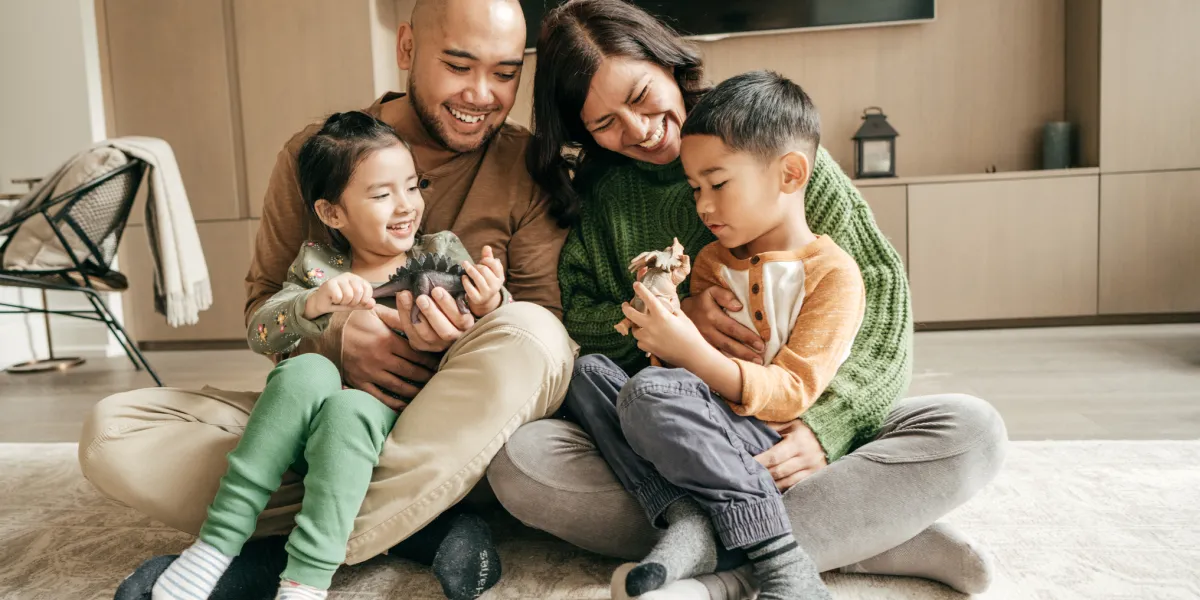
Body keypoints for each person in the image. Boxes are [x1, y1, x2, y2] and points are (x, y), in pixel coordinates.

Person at [487, 0, 1008, 598]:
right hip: (679, 427)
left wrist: (825, 428)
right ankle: (881, 536)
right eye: (604, 124)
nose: (636, 130)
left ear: (667, 64)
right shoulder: (603, 199)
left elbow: (883, 300)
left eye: (639, 96)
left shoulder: (768, 147)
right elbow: (580, 320)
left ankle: (721, 561)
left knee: (972, 428)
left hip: (791, 420)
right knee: (523, 462)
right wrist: (676, 322)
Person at [81, 1, 573, 598]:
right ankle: (415, 523)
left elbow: (544, 338)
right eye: (459, 65)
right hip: (327, 408)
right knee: (114, 431)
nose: (482, 94)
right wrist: (335, 336)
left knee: (534, 338)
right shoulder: (315, 156)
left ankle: (264, 559)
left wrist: (475, 321)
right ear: (408, 49)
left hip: (450, 423)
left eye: (504, 72)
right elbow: (263, 309)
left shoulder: (527, 165)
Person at [146, 111, 512, 600]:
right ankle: (216, 546)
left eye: (413, 186)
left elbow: (495, 337)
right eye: (382, 195)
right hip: (302, 432)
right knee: (307, 369)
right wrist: (313, 304)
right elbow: (261, 331)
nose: (406, 206)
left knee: (350, 408)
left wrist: (491, 300)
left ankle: (305, 581)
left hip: (404, 436)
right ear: (332, 213)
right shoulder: (317, 267)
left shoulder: (442, 254)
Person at [565, 70, 852, 600]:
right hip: (702, 427)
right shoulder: (713, 263)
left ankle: (779, 556)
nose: (702, 206)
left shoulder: (832, 274)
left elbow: (791, 392)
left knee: (648, 394)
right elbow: (677, 384)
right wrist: (665, 315)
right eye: (695, 188)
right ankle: (688, 516)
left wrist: (688, 352)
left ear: (790, 174)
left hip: (769, 437)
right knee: (585, 375)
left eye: (717, 185)